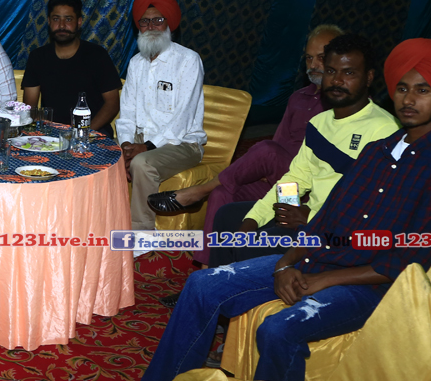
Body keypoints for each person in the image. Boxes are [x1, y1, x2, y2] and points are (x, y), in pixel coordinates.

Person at [106, 38, 431, 381]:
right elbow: (328, 213)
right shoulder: (379, 150)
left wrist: (320, 278)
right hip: (321, 256)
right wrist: (286, 261)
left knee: (278, 328)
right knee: (201, 284)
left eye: (423, 90)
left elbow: (406, 260)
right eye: (403, 88)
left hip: (373, 285)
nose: (409, 99)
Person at [147, 24, 343, 266]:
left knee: (266, 150)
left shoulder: (342, 105)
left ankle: (198, 191)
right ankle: (209, 268)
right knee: (222, 193)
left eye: (321, 58)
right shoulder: (298, 98)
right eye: (309, 58)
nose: (313, 65)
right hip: (282, 183)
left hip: (309, 192)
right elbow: (279, 142)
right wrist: (263, 171)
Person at [207, 34, 399, 268]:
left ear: (368, 77)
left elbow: (375, 205)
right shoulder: (319, 123)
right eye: (331, 71)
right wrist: (258, 218)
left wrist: (311, 219)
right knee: (228, 217)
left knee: (254, 244)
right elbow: (296, 178)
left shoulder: (384, 129)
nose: (337, 80)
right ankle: (215, 280)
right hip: (309, 218)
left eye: (349, 73)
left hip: (337, 234)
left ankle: (238, 284)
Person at [115, 0, 206, 243]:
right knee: (103, 157)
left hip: (182, 143)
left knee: (142, 164)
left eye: (158, 20)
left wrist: (145, 148)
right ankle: (106, 223)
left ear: (169, 23)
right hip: (140, 140)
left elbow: (182, 119)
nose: (151, 27)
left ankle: (141, 235)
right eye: (145, 22)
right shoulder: (136, 63)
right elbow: (127, 113)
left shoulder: (188, 60)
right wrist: (125, 146)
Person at [21, 0, 122, 128]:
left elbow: (112, 104)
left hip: (93, 132)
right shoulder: (38, 57)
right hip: (51, 133)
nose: (62, 25)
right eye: (56, 19)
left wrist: (84, 133)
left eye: (68, 19)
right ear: (49, 21)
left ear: (79, 22)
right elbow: (30, 108)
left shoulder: (97, 55)